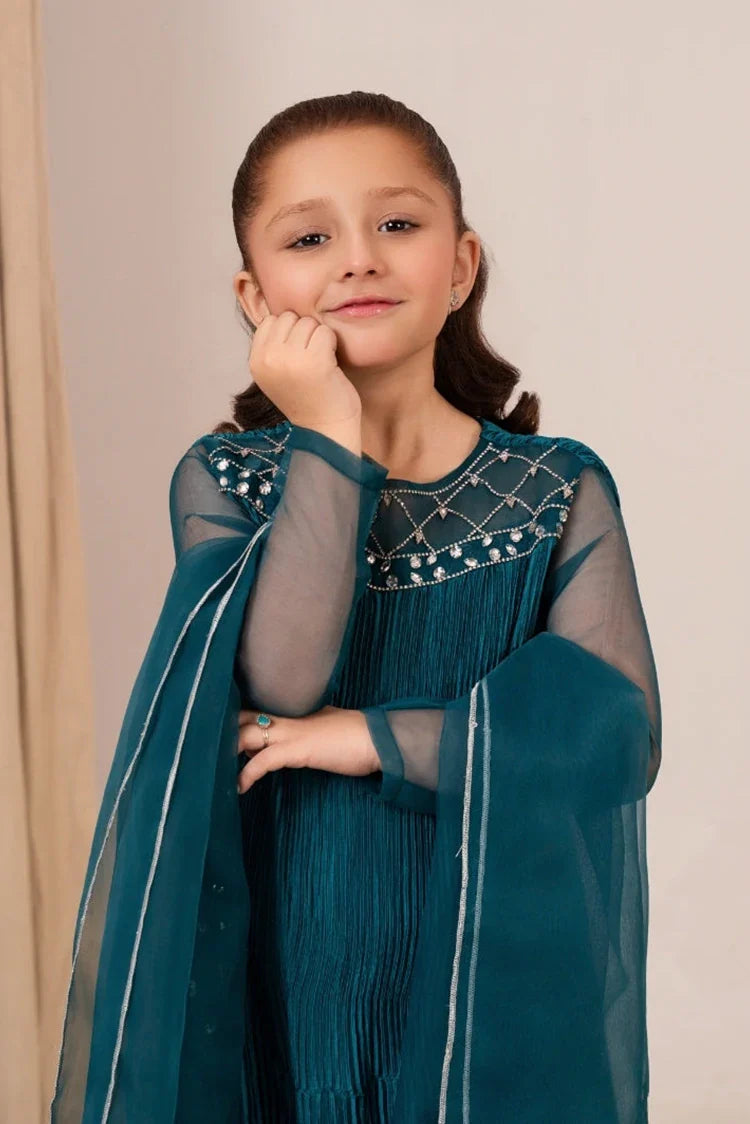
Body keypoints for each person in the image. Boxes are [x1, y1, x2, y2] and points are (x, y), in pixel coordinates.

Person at [50, 91, 662, 1124]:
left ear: (460, 264)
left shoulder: (555, 489)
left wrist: (370, 738)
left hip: (484, 978)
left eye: (398, 223)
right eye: (310, 238)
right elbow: (282, 676)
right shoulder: (228, 478)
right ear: (256, 295)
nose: (359, 260)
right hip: (283, 970)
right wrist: (329, 431)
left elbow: (617, 738)